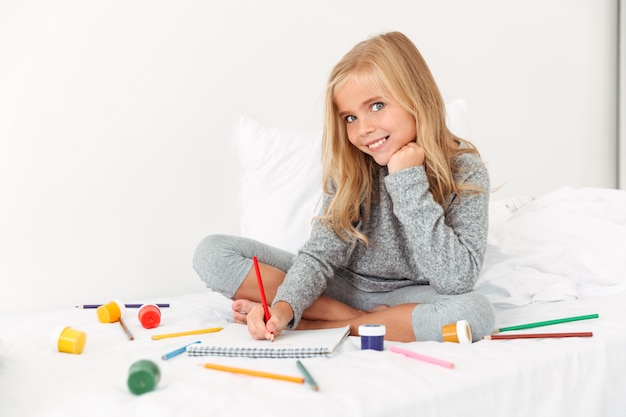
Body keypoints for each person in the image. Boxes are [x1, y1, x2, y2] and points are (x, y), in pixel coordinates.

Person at [193, 31, 495, 343]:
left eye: (377, 106)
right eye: (350, 117)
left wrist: (408, 182)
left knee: (475, 312)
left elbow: (457, 280)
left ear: (416, 95)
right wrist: (284, 308)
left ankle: (322, 324)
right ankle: (361, 321)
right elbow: (320, 255)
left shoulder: (465, 169)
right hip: (340, 288)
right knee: (213, 253)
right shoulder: (353, 168)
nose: (363, 129)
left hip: (409, 298)